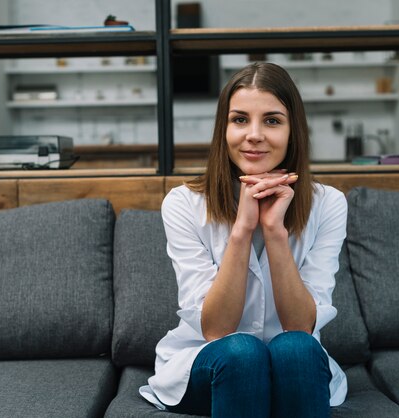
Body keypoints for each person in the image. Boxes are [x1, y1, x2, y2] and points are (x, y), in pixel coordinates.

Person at [139, 62, 347, 417]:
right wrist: (242, 229)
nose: (254, 134)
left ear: (292, 130)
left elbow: (300, 326)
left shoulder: (327, 203)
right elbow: (216, 329)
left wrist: (274, 231)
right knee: (243, 352)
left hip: (293, 367)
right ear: (223, 129)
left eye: (272, 120)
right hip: (212, 363)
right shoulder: (183, 204)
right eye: (239, 120)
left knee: (297, 347)